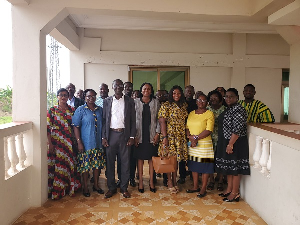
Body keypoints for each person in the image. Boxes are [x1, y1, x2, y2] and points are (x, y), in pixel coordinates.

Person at [102, 79, 136, 199]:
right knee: (110, 163)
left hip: (124, 135)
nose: (118, 87)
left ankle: (124, 187)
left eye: (120, 85)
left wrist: (132, 136)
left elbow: (133, 120)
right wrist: (104, 137)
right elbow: (104, 120)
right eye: (116, 85)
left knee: (125, 162)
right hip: (111, 135)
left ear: (123, 88)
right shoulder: (107, 101)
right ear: (112, 87)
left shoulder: (130, 101)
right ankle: (111, 188)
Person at [215, 88, 250, 202]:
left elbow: (238, 128)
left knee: (235, 168)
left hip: (236, 143)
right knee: (229, 168)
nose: (228, 99)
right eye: (226, 97)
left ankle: (235, 193)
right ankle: (229, 189)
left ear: (237, 98)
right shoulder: (230, 109)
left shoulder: (239, 110)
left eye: (231, 96)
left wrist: (230, 144)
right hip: (227, 141)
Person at [47, 88, 81, 200]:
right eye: (61, 95)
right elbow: (47, 128)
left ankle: (69, 188)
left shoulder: (72, 109)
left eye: (65, 95)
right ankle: (58, 190)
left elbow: (76, 126)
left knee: (69, 164)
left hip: (69, 142)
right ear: (57, 96)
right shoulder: (52, 110)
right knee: (58, 165)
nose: (63, 97)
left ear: (68, 97)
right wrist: (50, 144)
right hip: (56, 143)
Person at [72, 89, 106, 197]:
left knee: (97, 166)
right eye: (88, 96)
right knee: (85, 167)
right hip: (86, 143)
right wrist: (79, 142)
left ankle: (96, 185)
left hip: (98, 144)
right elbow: (76, 127)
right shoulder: (80, 110)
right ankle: (85, 187)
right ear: (85, 97)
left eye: (93, 96)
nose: (91, 98)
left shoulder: (99, 110)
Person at [158, 85, 188, 194]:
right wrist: (165, 137)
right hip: (169, 136)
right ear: (171, 94)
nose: (177, 95)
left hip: (180, 136)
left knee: (176, 161)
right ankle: (169, 182)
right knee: (168, 160)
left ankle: (175, 181)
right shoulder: (166, 105)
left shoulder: (184, 105)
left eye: (179, 93)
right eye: (174, 93)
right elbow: (162, 122)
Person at [186, 93, 215, 198]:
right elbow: (187, 127)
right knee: (194, 165)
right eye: (199, 100)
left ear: (207, 103)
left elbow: (209, 130)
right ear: (196, 101)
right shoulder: (191, 113)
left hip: (204, 144)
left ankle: (203, 188)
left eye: (204, 101)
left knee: (205, 167)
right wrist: (190, 137)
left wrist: (196, 138)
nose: (201, 102)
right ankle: (195, 186)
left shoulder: (209, 114)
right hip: (193, 144)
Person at [134, 83, 160, 193]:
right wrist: (134, 136)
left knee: (151, 159)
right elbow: (131, 120)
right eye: (144, 88)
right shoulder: (135, 102)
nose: (146, 90)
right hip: (139, 135)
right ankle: (140, 182)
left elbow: (159, 119)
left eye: (149, 89)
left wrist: (158, 134)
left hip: (151, 134)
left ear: (151, 91)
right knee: (140, 159)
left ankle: (151, 182)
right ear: (141, 90)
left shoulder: (156, 102)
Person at [177, 85, 197, 184]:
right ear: (184, 93)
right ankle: (182, 175)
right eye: (187, 91)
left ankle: (193, 173)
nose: (189, 92)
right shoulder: (181, 103)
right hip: (182, 133)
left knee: (192, 154)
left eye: (191, 91)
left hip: (193, 133)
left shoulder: (196, 103)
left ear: (194, 93)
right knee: (181, 155)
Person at [207, 90, 227, 191]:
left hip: (222, 139)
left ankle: (220, 180)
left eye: (215, 97)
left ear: (220, 99)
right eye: (211, 97)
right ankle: (211, 180)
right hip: (209, 139)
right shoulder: (207, 110)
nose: (213, 99)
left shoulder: (225, 110)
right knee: (210, 160)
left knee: (221, 160)